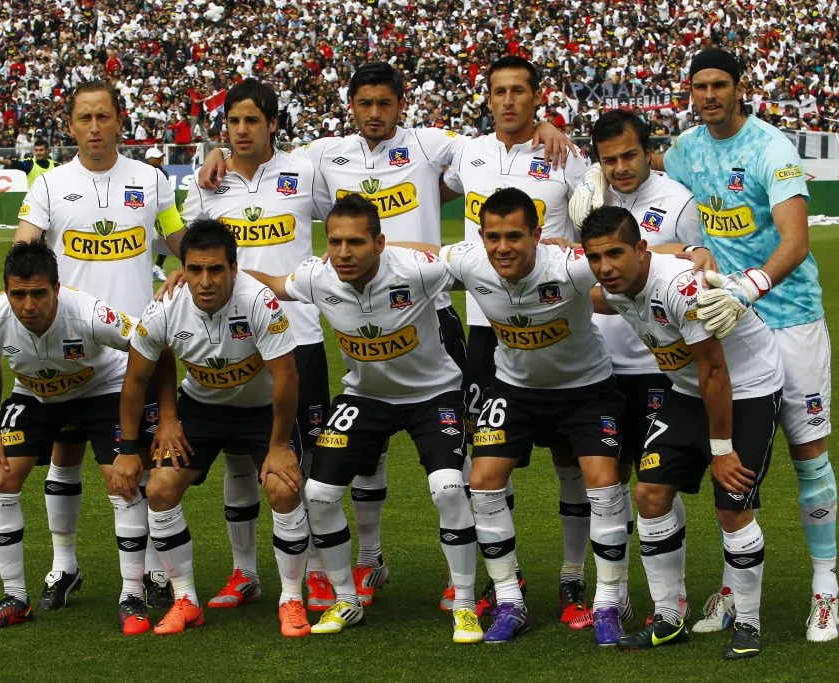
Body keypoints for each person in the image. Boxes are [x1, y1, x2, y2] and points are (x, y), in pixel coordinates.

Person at [199, 61, 572, 611]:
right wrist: (219, 153)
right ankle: (370, 561)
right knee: (367, 451)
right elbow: (261, 156)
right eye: (364, 103)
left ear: (402, 104)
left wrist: (542, 126)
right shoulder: (323, 156)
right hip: (358, 312)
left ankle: (484, 574)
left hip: (430, 311)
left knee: (469, 449)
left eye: (384, 103)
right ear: (350, 106)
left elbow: (496, 140)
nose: (374, 113)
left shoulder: (432, 145)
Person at [654, 47, 839, 642]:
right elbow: (641, 164)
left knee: (809, 455)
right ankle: (736, 589)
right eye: (699, 87)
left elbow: (795, 241)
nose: (708, 95)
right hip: (729, 327)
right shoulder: (686, 149)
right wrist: (590, 172)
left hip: (790, 319)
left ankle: (825, 587)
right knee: (731, 461)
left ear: (740, 87)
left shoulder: (771, 149)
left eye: (719, 85)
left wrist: (749, 286)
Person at [248, 194, 482, 644]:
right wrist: (211, 275)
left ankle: (466, 605)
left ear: (379, 243)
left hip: (433, 394)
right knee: (318, 495)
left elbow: (482, 260)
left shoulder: (416, 269)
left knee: (449, 487)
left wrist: (555, 248)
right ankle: (346, 599)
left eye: (355, 242)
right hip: (366, 396)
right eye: (334, 242)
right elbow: (272, 284)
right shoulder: (317, 276)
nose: (342, 253)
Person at [423, 188, 628, 645]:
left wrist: (693, 252)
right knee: (483, 480)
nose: (503, 248)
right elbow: (415, 256)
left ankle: (607, 603)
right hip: (515, 391)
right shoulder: (467, 260)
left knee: (603, 483)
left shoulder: (569, 266)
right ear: (480, 237)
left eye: (514, 236)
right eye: (493, 237)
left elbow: (630, 256)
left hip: (585, 390)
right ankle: (510, 600)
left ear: (537, 235)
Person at [580, 205, 783, 660]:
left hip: (747, 387)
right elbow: (585, 282)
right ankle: (668, 619)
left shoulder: (680, 288)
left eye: (615, 254)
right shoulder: (615, 284)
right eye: (595, 258)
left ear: (641, 249)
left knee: (732, 507)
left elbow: (716, 371)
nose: (605, 267)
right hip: (687, 389)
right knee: (650, 494)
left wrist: (721, 450)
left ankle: (748, 624)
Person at [13, 80, 186, 614]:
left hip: (135, 352)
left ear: (119, 121)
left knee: (138, 466)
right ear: (70, 125)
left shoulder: (151, 180)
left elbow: (179, 240)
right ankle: (64, 565)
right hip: (69, 352)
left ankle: (151, 571)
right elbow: (22, 249)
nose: (94, 128)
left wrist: (190, 263)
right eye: (84, 118)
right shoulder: (49, 185)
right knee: (63, 457)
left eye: (103, 117)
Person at [441, 55, 591, 626]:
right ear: (488, 98)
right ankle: (506, 579)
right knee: (487, 460)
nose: (508, 101)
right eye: (498, 91)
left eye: (518, 91)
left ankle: (573, 579)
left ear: (536, 97)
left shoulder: (565, 156)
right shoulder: (467, 153)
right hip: (488, 327)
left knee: (571, 459)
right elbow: (422, 185)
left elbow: (600, 224)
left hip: (558, 329)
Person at [178, 79, 331, 613]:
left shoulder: (305, 172)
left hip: (299, 336)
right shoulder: (207, 184)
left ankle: (317, 571)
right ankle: (245, 572)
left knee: (306, 462)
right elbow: (189, 250)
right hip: (234, 343)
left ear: (272, 123)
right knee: (239, 461)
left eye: (252, 120)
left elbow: (347, 221)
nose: (242, 131)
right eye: (233, 122)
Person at [117, 219, 311, 637]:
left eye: (216, 270)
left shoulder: (258, 301)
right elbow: (135, 379)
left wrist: (279, 444)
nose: (205, 281)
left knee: (283, 488)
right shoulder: (165, 307)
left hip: (261, 410)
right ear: (182, 269)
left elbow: (287, 377)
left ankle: (292, 599)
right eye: (195, 269)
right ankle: (186, 599)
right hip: (202, 408)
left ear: (233, 268)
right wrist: (143, 437)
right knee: (160, 488)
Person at [0, 239, 152, 634]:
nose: (28, 305)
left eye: (38, 294)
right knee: (1, 479)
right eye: (18, 295)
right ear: (6, 292)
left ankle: (132, 596)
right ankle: (15, 598)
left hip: (102, 391)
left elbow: (148, 343)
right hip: (36, 395)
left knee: (121, 481)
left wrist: (158, 418)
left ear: (56, 288)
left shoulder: (90, 314)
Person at [581, 108, 704, 624]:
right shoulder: (589, 198)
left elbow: (699, 263)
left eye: (630, 155)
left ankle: (671, 597)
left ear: (648, 152)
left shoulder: (679, 201)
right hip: (599, 365)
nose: (621, 168)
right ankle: (614, 594)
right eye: (609, 159)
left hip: (658, 365)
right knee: (609, 484)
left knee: (657, 484)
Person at [144, 146, 171, 282]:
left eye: (161, 157)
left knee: (165, 236)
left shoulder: (163, 173)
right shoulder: (141, 173)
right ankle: (146, 269)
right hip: (144, 210)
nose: (161, 159)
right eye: (157, 158)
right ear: (149, 160)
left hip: (159, 211)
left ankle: (158, 266)